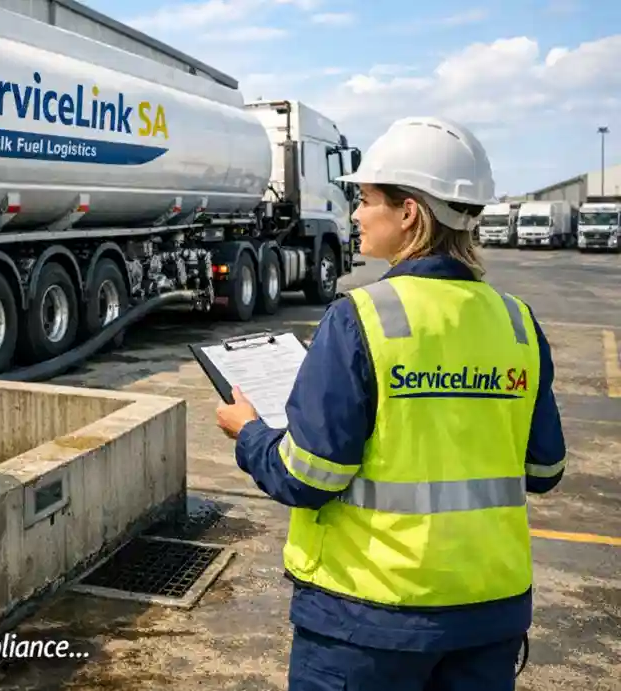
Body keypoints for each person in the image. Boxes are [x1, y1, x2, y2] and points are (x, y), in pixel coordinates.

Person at [214, 116, 566, 691]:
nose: (355, 213)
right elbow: (545, 470)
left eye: (366, 199)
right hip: (488, 615)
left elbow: (308, 476)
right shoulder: (516, 322)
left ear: (409, 213)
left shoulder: (359, 318)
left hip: (368, 619)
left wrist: (249, 432)